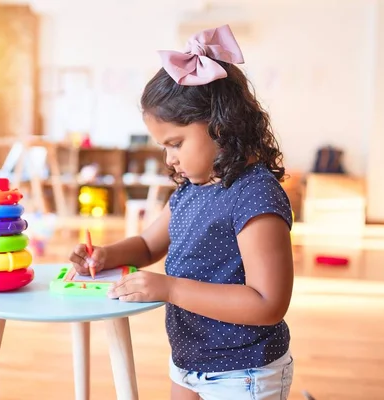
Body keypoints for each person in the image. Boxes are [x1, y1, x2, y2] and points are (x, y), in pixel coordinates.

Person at [69, 25, 294, 400]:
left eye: (175, 143)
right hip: (189, 359)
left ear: (221, 125)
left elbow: (268, 304)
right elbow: (145, 245)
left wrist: (170, 288)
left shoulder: (254, 196)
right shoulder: (193, 187)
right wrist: (106, 254)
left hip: (244, 371)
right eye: (164, 147)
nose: (170, 158)